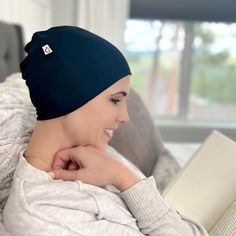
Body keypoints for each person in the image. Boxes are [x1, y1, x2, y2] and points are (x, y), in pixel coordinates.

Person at [3, 26, 208, 236]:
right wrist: (123, 177)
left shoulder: (97, 154)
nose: (125, 117)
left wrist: (121, 175)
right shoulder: (42, 216)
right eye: (115, 100)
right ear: (65, 97)